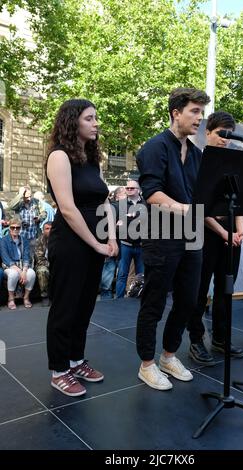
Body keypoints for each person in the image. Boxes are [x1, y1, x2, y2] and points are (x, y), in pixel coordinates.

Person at [136, 87, 210, 391]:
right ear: (175, 112)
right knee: (154, 302)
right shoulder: (154, 147)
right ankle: (147, 365)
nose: (200, 119)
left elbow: (202, 194)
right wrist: (186, 209)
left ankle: (168, 356)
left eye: (201, 113)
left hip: (191, 235)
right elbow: (152, 193)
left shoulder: (196, 153)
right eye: (194, 111)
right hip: (161, 235)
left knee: (189, 301)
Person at [46, 99, 118, 397]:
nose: (96, 123)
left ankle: (76, 360)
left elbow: (104, 202)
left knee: (85, 305)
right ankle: (59, 369)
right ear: (73, 121)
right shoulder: (59, 156)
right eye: (90, 118)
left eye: (96, 118)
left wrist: (111, 238)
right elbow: (68, 208)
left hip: (96, 243)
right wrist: (96, 243)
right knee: (65, 307)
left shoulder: (91, 160)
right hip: (71, 242)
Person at [187, 111, 243, 366]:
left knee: (226, 289)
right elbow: (197, 206)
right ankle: (196, 340)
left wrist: (239, 229)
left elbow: (242, 201)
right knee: (199, 290)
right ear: (208, 132)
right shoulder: (197, 161)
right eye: (221, 134)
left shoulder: (235, 163)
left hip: (232, 235)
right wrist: (223, 232)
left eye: (229, 136)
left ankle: (221, 338)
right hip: (206, 234)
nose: (225, 139)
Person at [115, 180, 145, 298]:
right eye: (127, 188)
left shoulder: (145, 203)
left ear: (138, 190)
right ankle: (118, 300)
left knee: (141, 275)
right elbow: (116, 225)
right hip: (125, 244)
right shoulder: (120, 204)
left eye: (132, 188)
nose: (129, 190)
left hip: (141, 245)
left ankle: (138, 299)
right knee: (122, 275)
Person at [1, 216, 36, 309]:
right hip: (9, 266)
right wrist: (20, 272)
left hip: (22, 265)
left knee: (31, 273)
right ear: (9, 228)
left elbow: (26, 256)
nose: (15, 229)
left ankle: (26, 297)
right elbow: (6, 259)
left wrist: (24, 271)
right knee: (13, 274)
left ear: (20, 228)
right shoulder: (3, 241)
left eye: (18, 227)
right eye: (13, 227)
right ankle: (11, 299)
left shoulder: (24, 240)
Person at [8, 186, 47, 260]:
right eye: (26, 197)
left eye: (30, 196)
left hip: (33, 236)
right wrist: (20, 195)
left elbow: (44, 213)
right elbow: (10, 206)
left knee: (31, 257)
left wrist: (39, 218)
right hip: (20, 236)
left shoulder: (36, 202)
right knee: (20, 257)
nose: (29, 199)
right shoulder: (18, 203)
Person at [34, 221, 52, 307]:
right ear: (43, 230)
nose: (49, 231)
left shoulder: (60, 240)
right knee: (42, 271)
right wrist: (51, 265)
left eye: (51, 229)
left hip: (57, 264)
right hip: (44, 264)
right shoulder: (39, 241)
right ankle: (44, 296)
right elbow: (40, 259)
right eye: (47, 229)